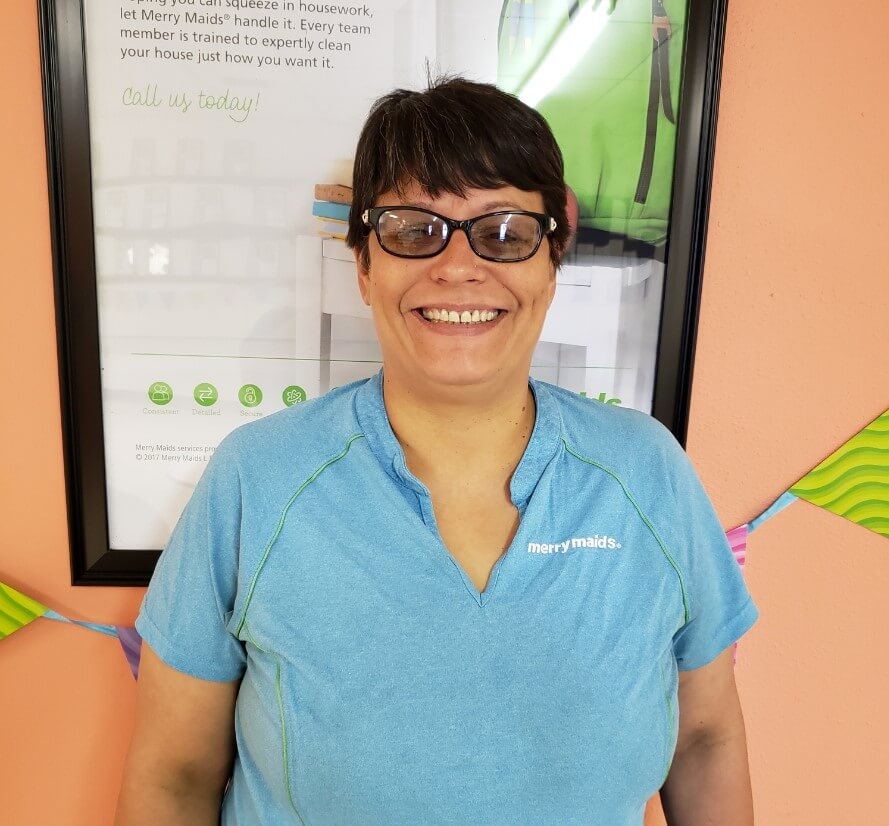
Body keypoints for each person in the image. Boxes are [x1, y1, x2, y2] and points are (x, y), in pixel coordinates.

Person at [116, 76, 757, 825]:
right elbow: (175, 777)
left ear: (552, 256)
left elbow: (704, 739)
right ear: (362, 264)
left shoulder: (647, 474)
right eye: (413, 229)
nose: (458, 267)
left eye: (504, 231)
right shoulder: (257, 480)